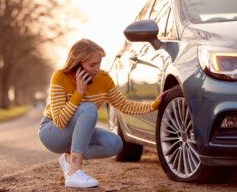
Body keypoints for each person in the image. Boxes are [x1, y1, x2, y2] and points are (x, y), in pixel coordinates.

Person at [39, 39, 162, 188]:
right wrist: (79, 92)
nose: (97, 69)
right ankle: (73, 172)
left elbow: (124, 105)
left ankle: (69, 158)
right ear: (78, 64)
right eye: (92, 65)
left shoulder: (103, 80)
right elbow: (59, 121)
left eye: (99, 63)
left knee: (114, 144)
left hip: (75, 133)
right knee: (89, 108)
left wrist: (153, 105)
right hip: (52, 132)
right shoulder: (60, 77)